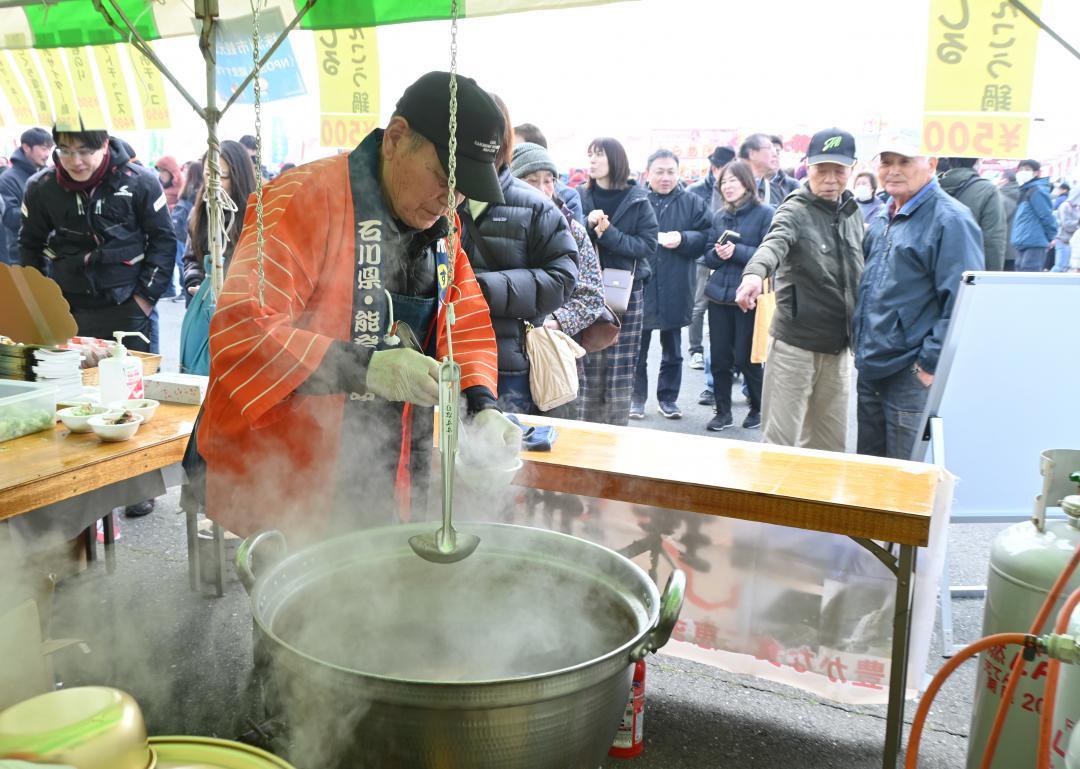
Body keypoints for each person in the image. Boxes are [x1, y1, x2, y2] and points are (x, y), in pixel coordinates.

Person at [194, 71, 519, 541]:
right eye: (444, 176)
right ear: (396, 138)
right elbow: (242, 330)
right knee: (304, 607)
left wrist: (483, 404)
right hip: (294, 473)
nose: (451, 197)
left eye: (464, 186)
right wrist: (365, 368)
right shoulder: (302, 198)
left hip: (395, 462)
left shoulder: (442, 225)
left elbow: (461, 318)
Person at [20, 127, 177, 516]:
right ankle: (77, 485)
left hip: (128, 304)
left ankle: (139, 485)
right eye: (66, 151)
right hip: (68, 307)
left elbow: (163, 241)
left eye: (85, 151)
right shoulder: (41, 187)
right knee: (71, 398)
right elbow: (28, 247)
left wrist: (144, 298)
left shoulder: (139, 180)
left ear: (105, 146)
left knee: (134, 396)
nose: (75, 161)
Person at [853, 130, 984, 460]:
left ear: (932, 164)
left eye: (904, 161)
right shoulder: (886, 213)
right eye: (886, 162)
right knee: (869, 475)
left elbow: (963, 302)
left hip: (909, 374)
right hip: (873, 364)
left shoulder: (950, 219)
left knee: (906, 479)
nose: (893, 170)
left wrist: (928, 363)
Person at [735, 128, 864, 451]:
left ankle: (816, 503)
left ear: (853, 168)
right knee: (779, 443)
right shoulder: (795, 209)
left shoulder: (853, 212)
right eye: (823, 169)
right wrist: (753, 275)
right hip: (795, 346)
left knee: (830, 445)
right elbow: (773, 244)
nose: (831, 179)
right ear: (808, 166)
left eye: (840, 170)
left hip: (839, 347)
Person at [457, 97, 578, 415]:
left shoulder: (535, 206)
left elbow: (563, 278)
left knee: (506, 457)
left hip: (506, 364)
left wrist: (483, 288)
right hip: (438, 362)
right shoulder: (433, 200)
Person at [510, 141, 605, 419]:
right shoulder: (497, 223)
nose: (542, 189)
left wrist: (554, 322)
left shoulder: (572, 229)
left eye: (548, 181)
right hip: (505, 352)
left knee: (556, 431)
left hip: (555, 350)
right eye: (531, 180)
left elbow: (592, 295)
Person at [577, 137, 659, 426]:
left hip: (625, 293)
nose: (592, 161)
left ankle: (614, 431)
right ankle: (585, 430)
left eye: (598, 155)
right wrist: (588, 226)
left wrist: (609, 234)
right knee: (587, 360)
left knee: (620, 366)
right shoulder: (580, 196)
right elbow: (569, 241)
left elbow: (647, 246)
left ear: (616, 160)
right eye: (590, 155)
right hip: (586, 292)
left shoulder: (637, 199)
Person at [631, 149, 711, 419]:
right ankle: (636, 398)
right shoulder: (636, 200)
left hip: (677, 283)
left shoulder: (692, 202)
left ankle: (668, 399)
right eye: (659, 171)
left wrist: (684, 238)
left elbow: (705, 236)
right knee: (636, 350)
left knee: (673, 350)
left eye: (670, 172)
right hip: (641, 285)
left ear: (678, 174)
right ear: (648, 173)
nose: (665, 177)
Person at [700, 160, 773, 431]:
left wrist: (737, 251)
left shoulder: (765, 213)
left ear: (747, 183)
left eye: (733, 180)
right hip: (719, 296)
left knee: (747, 357)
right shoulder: (718, 216)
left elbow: (770, 254)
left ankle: (757, 407)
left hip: (748, 296)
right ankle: (723, 412)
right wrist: (717, 255)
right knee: (719, 358)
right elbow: (708, 256)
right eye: (724, 182)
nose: (727, 186)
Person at [179, 141, 256, 375]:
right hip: (203, 307)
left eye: (221, 176)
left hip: (243, 315)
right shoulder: (199, 211)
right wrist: (194, 281)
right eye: (207, 175)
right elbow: (191, 257)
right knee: (199, 376)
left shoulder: (256, 213)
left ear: (238, 176)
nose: (213, 184)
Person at [685, 145, 735, 376]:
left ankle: (729, 360)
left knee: (727, 308)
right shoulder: (696, 190)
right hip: (703, 255)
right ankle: (695, 349)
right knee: (699, 305)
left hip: (731, 255)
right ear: (714, 167)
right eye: (724, 170)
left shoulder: (736, 190)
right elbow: (690, 224)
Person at [938, 157, 1007, 270]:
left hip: (932, 270)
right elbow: (992, 240)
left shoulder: (931, 187)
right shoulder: (987, 190)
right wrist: (991, 275)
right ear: (977, 161)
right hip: (969, 271)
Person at [512, 122, 584, 226]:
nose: (510, 153)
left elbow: (576, 238)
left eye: (515, 148)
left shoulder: (568, 197)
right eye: (531, 180)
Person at [1, 127, 54, 265]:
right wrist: (43, 214)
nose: (48, 153)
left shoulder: (47, 176)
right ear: (26, 147)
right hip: (19, 254)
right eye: (43, 148)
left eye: (50, 148)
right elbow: (9, 215)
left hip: (48, 253)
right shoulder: (8, 179)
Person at [1011, 159, 1058, 272]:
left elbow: (1046, 215)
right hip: (1023, 240)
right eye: (1021, 169)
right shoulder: (1025, 190)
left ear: (1036, 173)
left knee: (1029, 274)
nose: (1023, 172)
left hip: (1034, 241)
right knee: (1021, 273)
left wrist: (1051, 236)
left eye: (1027, 169)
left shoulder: (1037, 190)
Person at [738, 133, 787, 206]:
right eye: (769, 148)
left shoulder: (777, 191)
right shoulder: (729, 186)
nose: (775, 155)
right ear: (752, 154)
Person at [1053, 185, 1080, 272]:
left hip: (1071, 242)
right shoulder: (1065, 206)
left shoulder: (1076, 207)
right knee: (1060, 267)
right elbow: (1066, 225)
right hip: (1063, 240)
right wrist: (1077, 224)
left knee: (1066, 268)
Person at [998, 169, 1020, 270]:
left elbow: (997, 222)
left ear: (1005, 180)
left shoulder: (1001, 198)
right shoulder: (1023, 195)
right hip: (1017, 246)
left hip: (1003, 247)